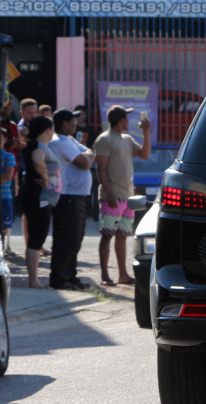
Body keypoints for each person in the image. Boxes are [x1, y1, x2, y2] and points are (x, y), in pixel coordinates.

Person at [93, 104, 151, 286]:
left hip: (127, 196)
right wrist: (108, 192)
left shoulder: (127, 139)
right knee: (108, 235)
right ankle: (104, 275)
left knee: (123, 235)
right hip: (112, 196)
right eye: (126, 117)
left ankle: (123, 275)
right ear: (121, 120)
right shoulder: (104, 139)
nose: (129, 121)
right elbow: (100, 168)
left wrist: (146, 133)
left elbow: (144, 154)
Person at [47, 109, 95, 291]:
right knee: (66, 239)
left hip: (78, 196)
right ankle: (60, 278)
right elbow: (85, 162)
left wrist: (88, 156)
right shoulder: (59, 142)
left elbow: (89, 151)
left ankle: (70, 276)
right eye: (72, 122)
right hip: (68, 197)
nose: (75, 125)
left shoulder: (70, 140)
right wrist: (88, 157)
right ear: (64, 124)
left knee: (76, 239)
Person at [20, 116, 61, 289]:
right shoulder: (38, 145)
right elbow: (37, 160)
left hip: (42, 197)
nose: (53, 132)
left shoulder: (39, 145)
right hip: (39, 197)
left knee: (37, 237)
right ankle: (33, 280)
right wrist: (45, 178)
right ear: (47, 130)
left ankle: (34, 279)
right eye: (52, 129)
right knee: (37, 238)